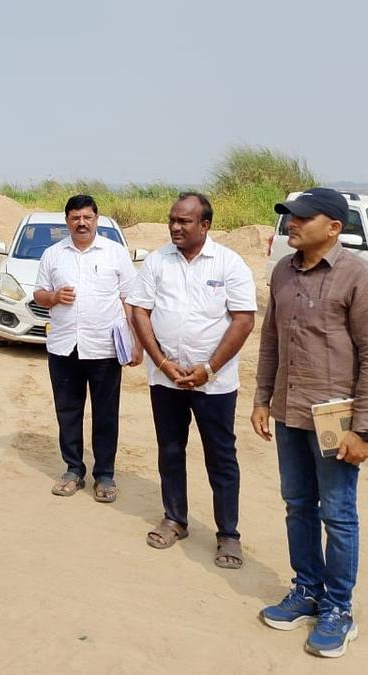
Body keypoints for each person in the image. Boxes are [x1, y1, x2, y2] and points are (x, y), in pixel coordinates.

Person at [251, 188, 368, 659]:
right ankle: (306, 590)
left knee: (338, 512)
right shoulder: (282, 273)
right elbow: (270, 340)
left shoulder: (361, 278)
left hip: (337, 420)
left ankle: (338, 609)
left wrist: (365, 428)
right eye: (290, 217)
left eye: (302, 218)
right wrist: (261, 398)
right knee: (297, 504)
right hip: (290, 411)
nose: (292, 224)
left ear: (333, 227)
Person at [127, 192, 255, 569]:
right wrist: (163, 363)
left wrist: (209, 369)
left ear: (205, 225)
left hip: (213, 384)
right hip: (166, 380)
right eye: (172, 220)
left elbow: (243, 320)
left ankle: (228, 534)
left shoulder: (229, 263)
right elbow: (139, 312)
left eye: (184, 221)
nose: (175, 227)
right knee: (170, 450)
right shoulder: (156, 261)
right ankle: (175, 518)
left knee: (221, 457)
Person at [33, 194, 141, 502]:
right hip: (64, 347)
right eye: (75, 218)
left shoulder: (115, 253)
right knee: (68, 411)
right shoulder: (53, 255)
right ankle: (73, 470)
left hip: (104, 349)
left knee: (106, 414)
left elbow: (130, 300)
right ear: (66, 221)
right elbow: (39, 293)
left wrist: (137, 344)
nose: (82, 223)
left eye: (87, 218)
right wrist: (53, 298)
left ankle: (105, 475)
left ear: (97, 220)